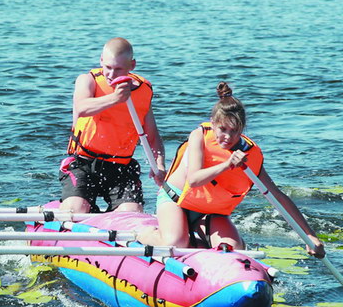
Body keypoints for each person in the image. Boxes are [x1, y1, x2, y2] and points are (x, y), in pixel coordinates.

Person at [139, 82, 325, 256]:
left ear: (242, 129)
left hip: (210, 213)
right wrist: (227, 165)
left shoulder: (250, 155)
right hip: (175, 201)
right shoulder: (199, 136)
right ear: (213, 124)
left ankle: (200, 235)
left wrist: (308, 235)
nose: (228, 137)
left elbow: (276, 196)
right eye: (223, 129)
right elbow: (194, 180)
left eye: (234, 131)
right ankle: (143, 234)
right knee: (177, 242)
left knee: (233, 249)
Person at [59, 37, 166, 214]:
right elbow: (82, 108)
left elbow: (152, 136)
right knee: (76, 211)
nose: (111, 74)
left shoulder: (144, 91)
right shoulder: (87, 80)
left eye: (118, 69)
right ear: (101, 60)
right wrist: (115, 98)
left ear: (132, 65)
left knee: (131, 213)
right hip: (83, 163)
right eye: (108, 67)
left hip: (120, 167)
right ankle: (76, 205)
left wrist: (160, 165)